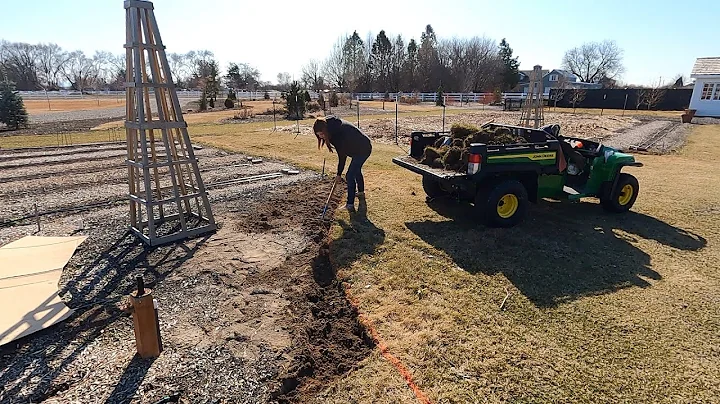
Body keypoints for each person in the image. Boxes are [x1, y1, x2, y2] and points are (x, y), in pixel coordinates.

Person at [313, 115, 372, 212]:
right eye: (318, 135)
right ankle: (361, 193)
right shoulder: (330, 127)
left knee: (349, 175)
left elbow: (342, 156)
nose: (320, 137)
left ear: (325, 130)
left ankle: (350, 204)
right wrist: (339, 174)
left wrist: (339, 174)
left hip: (363, 149)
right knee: (356, 170)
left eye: (321, 134)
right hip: (356, 148)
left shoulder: (337, 134)